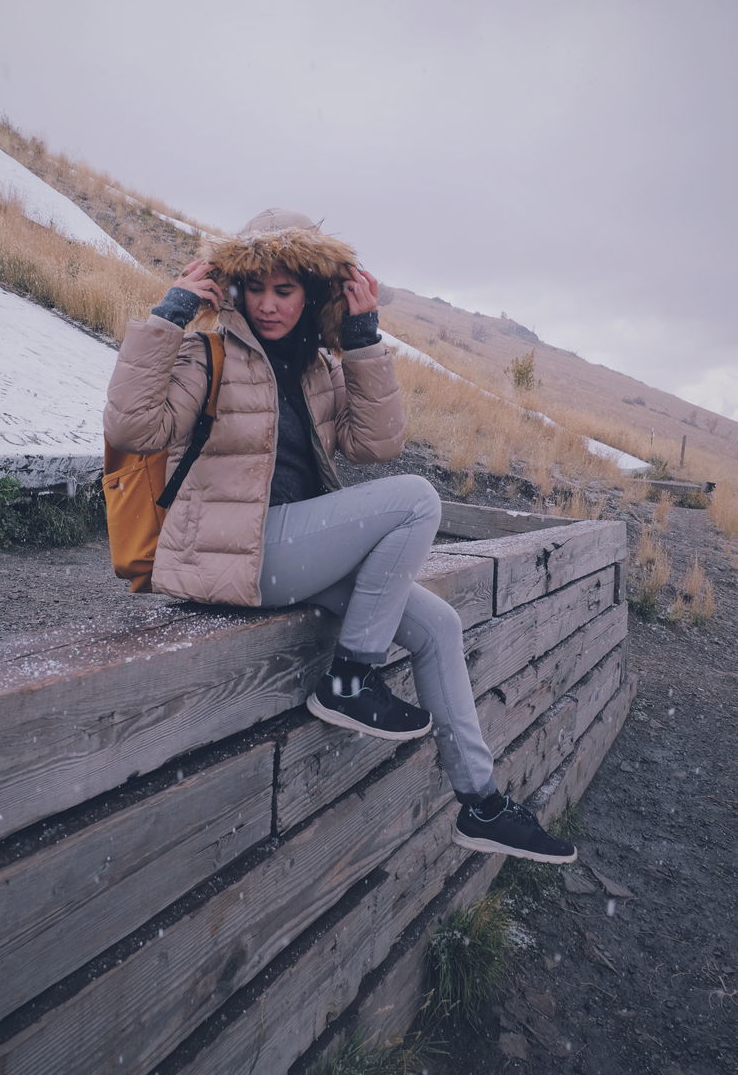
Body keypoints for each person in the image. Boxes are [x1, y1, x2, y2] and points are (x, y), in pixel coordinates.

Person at [104, 208, 575, 864]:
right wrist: (172, 311)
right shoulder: (204, 354)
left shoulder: (318, 368)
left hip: (290, 552)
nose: (269, 305)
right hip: (235, 553)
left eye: (285, 289)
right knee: (414, 500)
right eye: (257, 288)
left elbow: (375, 445)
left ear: (311, 293)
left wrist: (362, 339)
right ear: (235, 288)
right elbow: (133, 431)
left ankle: (482, 805)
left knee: (436, 625)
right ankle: (349, 680)